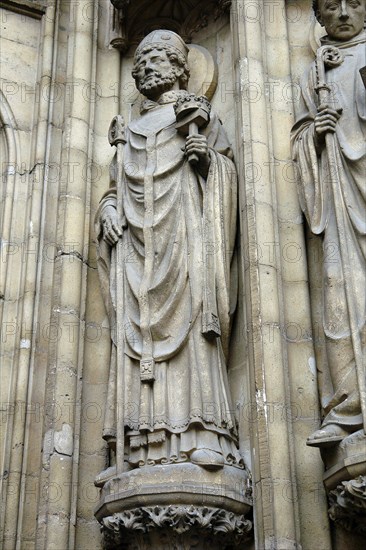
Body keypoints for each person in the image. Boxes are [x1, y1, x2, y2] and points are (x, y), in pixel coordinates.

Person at [95, 30, 242, 477]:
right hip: (138, 253)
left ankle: (202, 434)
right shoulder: (127, 131)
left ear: (182, 68)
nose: (148, 66)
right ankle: (137, 448)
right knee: (137, 343)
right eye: (142, 59)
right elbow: (113, 188)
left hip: (185, 239)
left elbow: (226, 172)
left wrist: (207, 160)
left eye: (159, 57)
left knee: (194, 329)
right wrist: (108, 210)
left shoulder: (197, 116)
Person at [291, 0, 366, 446]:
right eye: (330, 6)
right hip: (339, 198)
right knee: (341, 295)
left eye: (353, 3)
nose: (342, 12)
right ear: (317, 17)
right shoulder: (312, 75)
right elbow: (300, 141)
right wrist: (316, 132)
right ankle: (348, 406)